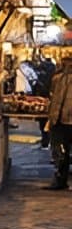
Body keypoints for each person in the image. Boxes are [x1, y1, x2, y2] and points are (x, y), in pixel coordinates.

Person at [45, 54, 72, 190]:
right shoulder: (58, 78)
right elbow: (55, 99)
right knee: (61, 152)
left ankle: (61, 180)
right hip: (60, 120)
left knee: (63, 152)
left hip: (64, 120)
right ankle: (61, 180)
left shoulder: (59, 78)